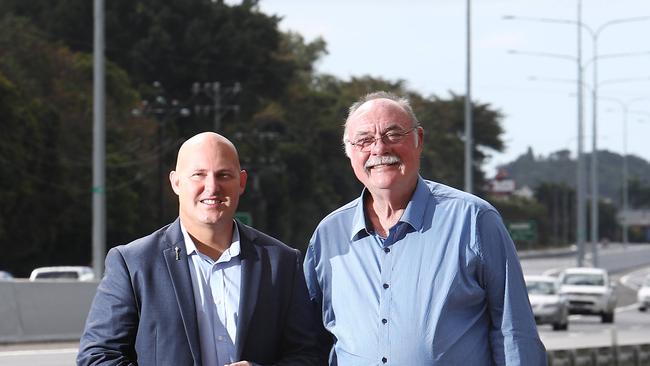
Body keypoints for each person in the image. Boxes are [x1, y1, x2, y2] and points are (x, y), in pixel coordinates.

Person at [303, 92, 547, 365]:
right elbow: (308, 340)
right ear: (349, 152)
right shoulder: (328, 234)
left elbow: (514, 333)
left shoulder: (474, 220)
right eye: (364, 140)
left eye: (393, 135)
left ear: (419, 139)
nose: (379, 149)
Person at [78, 132, 323, 366]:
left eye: (224, 175)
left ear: (242, 182)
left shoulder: (282, 262)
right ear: (176, 182)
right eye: (198, 175)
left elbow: (309, 356)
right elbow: (97, 356)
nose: (212, 187)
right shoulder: (133, 263)